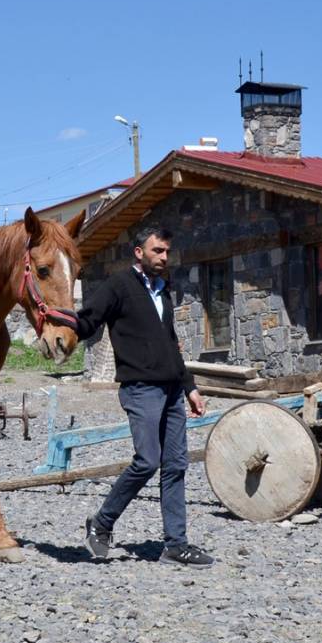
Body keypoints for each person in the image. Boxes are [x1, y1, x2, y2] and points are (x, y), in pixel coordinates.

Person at [74, 226, 214, 568]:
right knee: (148, 460)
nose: (164, 257)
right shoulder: (119, 286)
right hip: (141, 389)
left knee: (176, 465)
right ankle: (102, 523)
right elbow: (87, 321)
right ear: (139, 252)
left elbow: (171, 345)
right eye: (157, 251)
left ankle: (175, 545)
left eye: (166, 251)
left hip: (172, 391)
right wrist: (57, 322)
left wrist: (190, 386)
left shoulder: (163, 292)